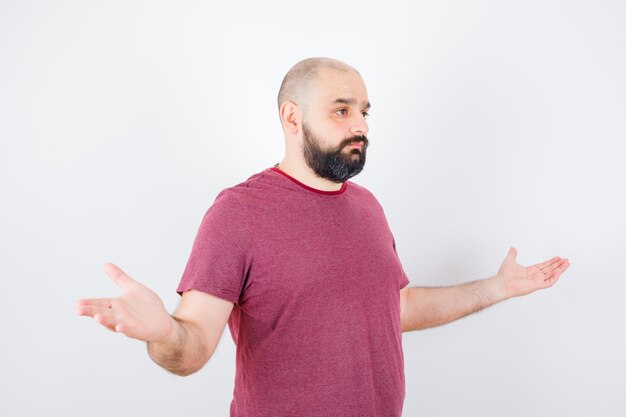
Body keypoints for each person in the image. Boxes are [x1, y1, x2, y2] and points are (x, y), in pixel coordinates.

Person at [76, 57, 571, 416]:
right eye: (341, 110)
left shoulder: (367, 208)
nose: (360, 125)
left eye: (364, 111)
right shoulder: (238, 212)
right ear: (292, 117)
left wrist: (498, 288)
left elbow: (393, 309)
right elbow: (193, 347)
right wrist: (164, 331)